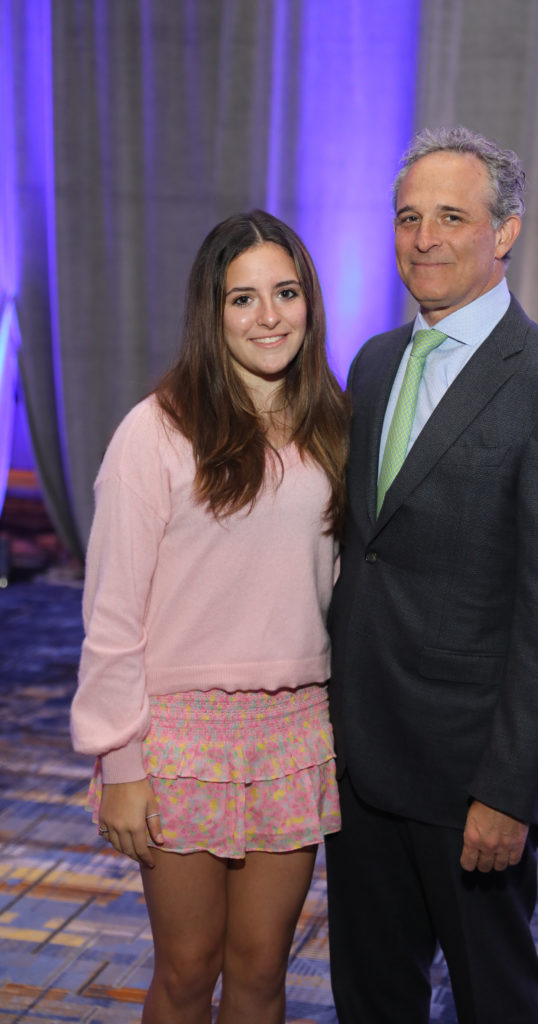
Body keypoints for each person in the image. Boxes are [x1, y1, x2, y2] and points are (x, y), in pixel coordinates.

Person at [324, 126, 538, 1023]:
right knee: (370, 996)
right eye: (407, 217)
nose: (423, 239)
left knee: (494, 999)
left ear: (504, 232)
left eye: (451, 217)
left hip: (467, 778)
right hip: (358, 758)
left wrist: (506, 788)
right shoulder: (374, 362)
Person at [70, 210, 349, 1024]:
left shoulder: (332, 424)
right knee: (188, 971)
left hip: (294, 730)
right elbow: (112, 612)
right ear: (211, 312)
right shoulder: (155, 432)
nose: (269, 317)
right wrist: (121, 760)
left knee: (261, 971)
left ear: (309, 302)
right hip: (179, 740)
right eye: (242, 299)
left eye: (285, 293)